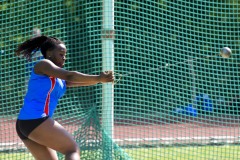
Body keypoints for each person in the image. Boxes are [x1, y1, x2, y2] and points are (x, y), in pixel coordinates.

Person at [15, 35, 114, 160]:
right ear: (49, 53)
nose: (64, 57)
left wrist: (100, 80)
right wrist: (99, 78)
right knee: (72, 149)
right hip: (36, 120)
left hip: (26, 123)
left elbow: (75, 81)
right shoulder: (43, 64)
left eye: (65, 54)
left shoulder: (56, 77)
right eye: (61, 54)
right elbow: (70, 76)